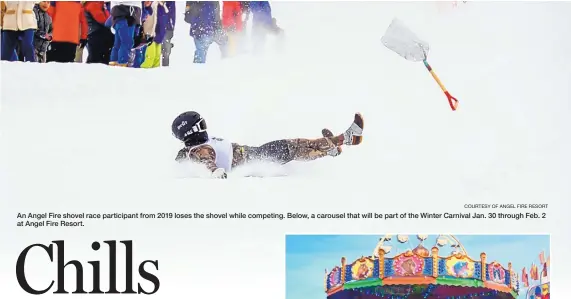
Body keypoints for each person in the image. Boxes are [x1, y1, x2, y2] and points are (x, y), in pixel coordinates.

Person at [171, 111, 364, 179]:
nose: (205, 128)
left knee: (295, 148)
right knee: (294, 146)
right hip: (256, 157)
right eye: (201, 125)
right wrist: (215, 172)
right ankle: (346, 139)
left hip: (255, 153)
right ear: (192, 132)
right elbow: (207, 162)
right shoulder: (200, 150)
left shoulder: (198, 145)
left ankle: (327, 149)